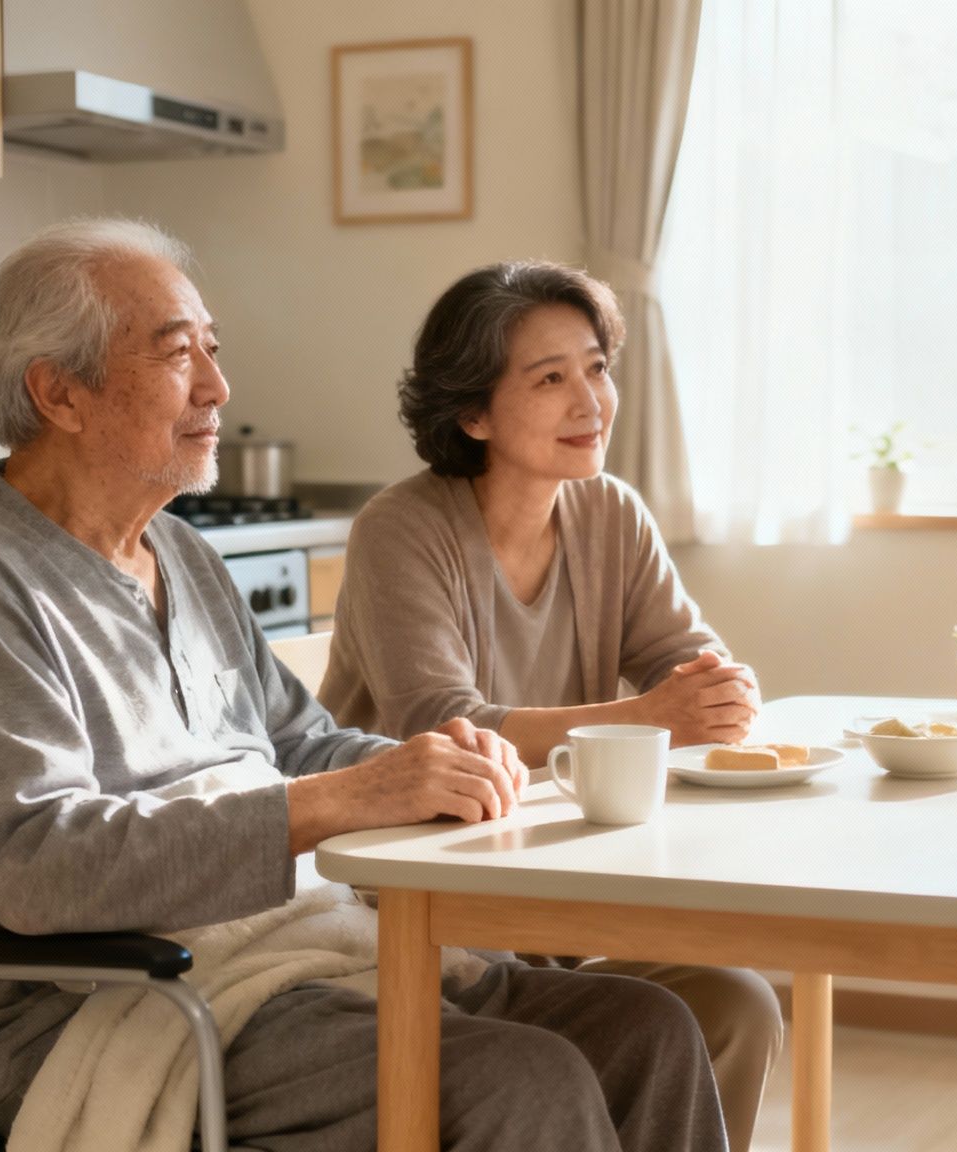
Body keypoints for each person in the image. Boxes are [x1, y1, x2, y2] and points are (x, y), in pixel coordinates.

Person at [0, 219, 727, 1152]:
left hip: (287, 950)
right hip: (116, 1007)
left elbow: (299, 744)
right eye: (179, 356)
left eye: (213, 352)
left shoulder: (179, 552)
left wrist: (427, 766)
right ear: (59, 393)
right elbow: (37, 865)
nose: (219, 389)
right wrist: (342, 798)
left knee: (650, 1034)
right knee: (519, 1081)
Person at [319, 260, 783, 1150]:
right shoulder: (401, 530)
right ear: (473, 414)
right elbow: (442, 724)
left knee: (738, 1006)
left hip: (551, 885)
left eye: (597, 368)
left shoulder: (610, 512)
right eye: (550, 378)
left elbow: (685, 658)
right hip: (419, 905)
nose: (592, 402)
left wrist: (720, 689)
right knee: (565, 1050)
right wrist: (651, 717)